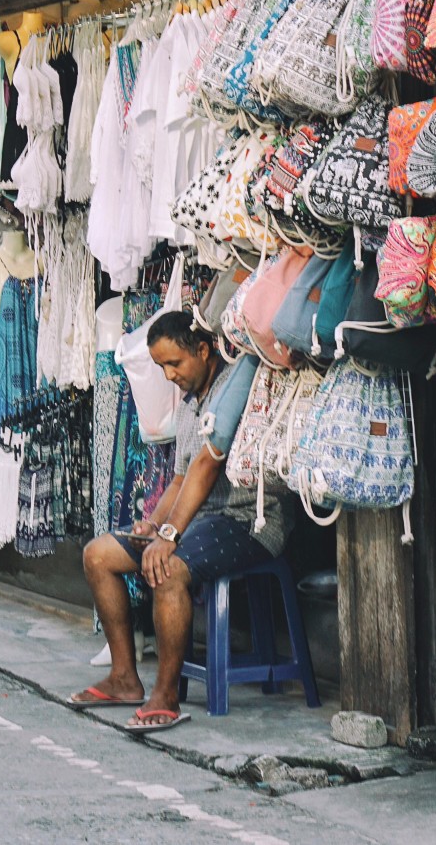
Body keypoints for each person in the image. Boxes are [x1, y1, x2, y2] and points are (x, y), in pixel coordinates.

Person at [72, 310, 284, 734]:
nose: (169, 375)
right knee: (98, 555)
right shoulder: (189, 406)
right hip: (200, 520)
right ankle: (124, 679)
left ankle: (166, 696)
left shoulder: (234, 389)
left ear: (203, 351)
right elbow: (183, 476)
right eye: (162, 367)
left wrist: (169, 535)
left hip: (249, 520)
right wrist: (154, 524)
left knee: (166, 569)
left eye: (175, 364)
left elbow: (207, 466)